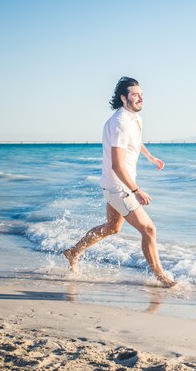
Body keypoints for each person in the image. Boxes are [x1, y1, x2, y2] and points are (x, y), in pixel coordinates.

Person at [63, 76, 177, 288]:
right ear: (124, 98)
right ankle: (160, 276)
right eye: (135, 95)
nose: (140, 98)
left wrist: (150, 157)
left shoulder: (135, 119)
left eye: (141, 94)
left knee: (112, 227)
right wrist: (137, 190)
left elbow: (136, 142)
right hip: (119, 186)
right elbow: (117, 165)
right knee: (149, 230)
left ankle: (73, 252)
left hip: (116, 184)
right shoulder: (119, 124)